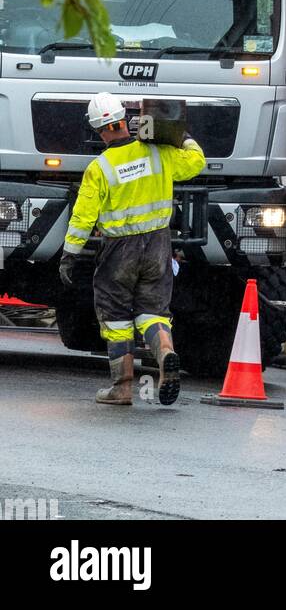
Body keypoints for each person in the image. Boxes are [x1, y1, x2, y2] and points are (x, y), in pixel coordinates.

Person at [59, 92, 205, 407]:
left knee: (115, 316)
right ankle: (165, 353)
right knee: (153, 312)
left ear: (97, 129)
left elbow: (83, 218)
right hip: (158, 245)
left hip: (118, 251)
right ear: (125, 119)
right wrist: (183, 136)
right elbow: (197, 162)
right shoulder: (159, 152)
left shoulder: (99, 168)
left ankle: (122, 388)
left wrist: (69, 255)